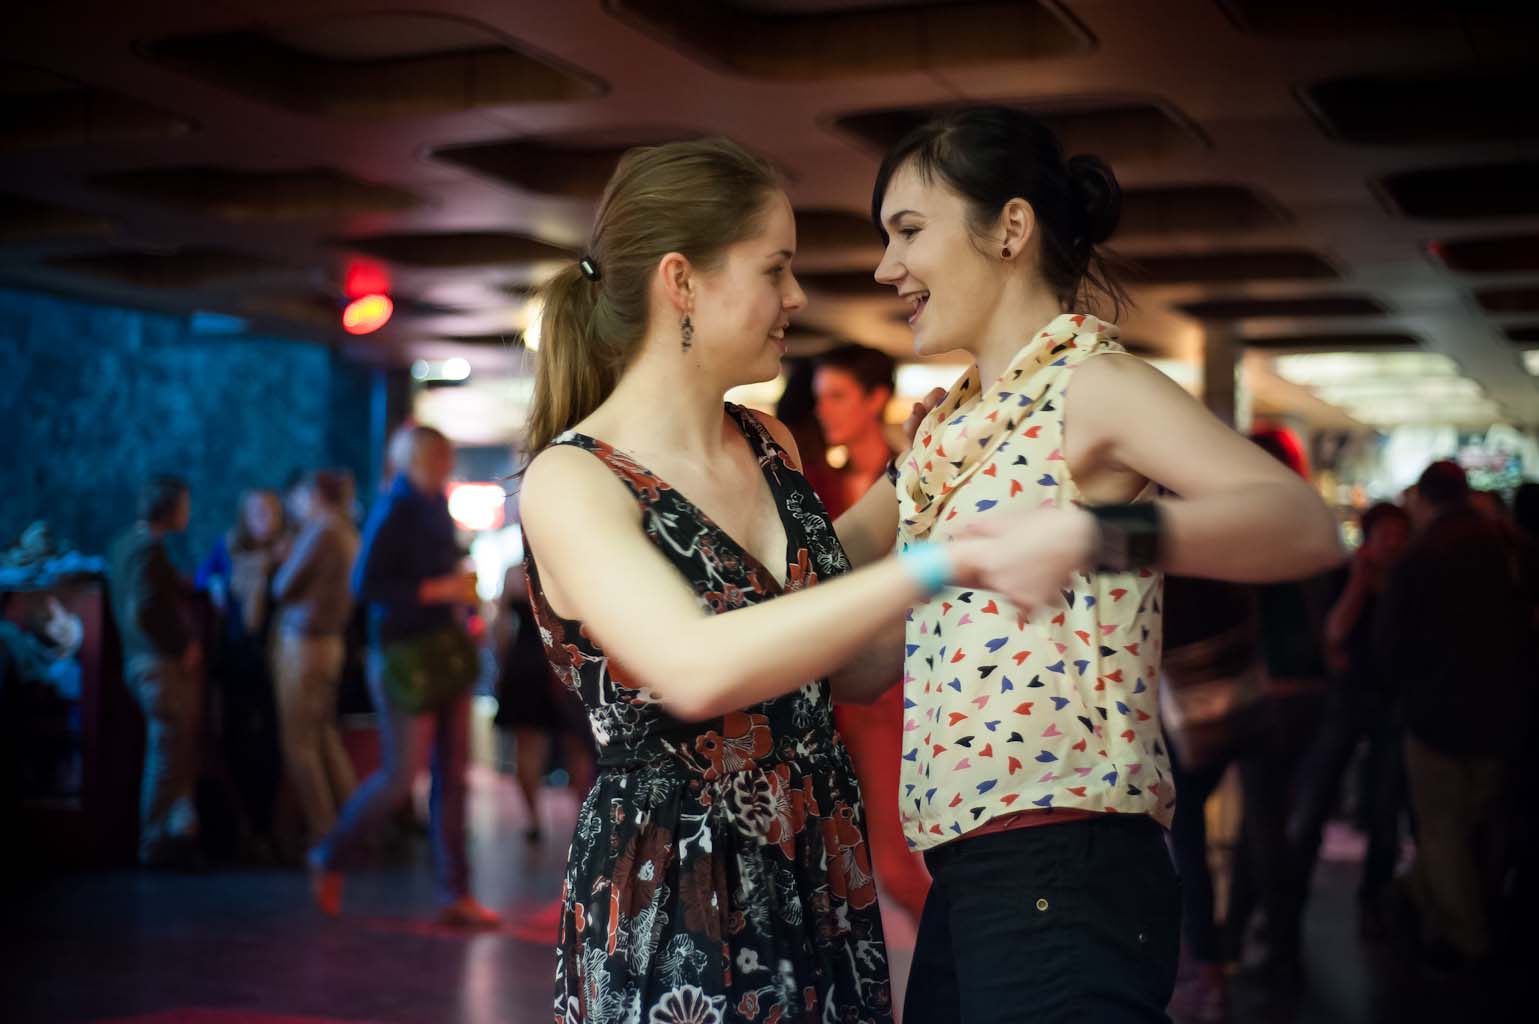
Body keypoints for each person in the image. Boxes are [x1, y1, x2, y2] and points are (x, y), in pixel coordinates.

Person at [833, 106, 1343, 1021]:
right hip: (972, 865)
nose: (885, 267)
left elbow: (1299, 524)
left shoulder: (1091, 384)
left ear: (1010, 230)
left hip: (1063, 862)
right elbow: (841, 605)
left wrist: (1089, 534)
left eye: (907, 231)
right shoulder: (951, 432)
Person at [520, 137, 999, 1023]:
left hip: (818, 859)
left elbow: (834, 653)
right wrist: (938, 565)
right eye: (775, 268)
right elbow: (696, 665)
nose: (797, 296)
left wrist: (924, 477)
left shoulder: (767, 444)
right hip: (682, 888)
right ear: (681, 282)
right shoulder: (574, 480)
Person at [308, 426, 500, 928]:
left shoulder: (434, 506)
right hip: (404, 656)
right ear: (414, 459)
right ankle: (331, 853)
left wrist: (460, 601)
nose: (445, 466)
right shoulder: (394, 509)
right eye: (438, 458)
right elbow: (365, 584)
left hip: (443, 652)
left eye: (446, 457)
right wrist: (438, 591)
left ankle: (455, 893)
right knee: (401, 776)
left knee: (452, 778)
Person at [1376, 460, 1535, 967]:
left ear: (1424, 499)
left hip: (1434, 715)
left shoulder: (1419, 554)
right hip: (1504, 711)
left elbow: (1390, 646)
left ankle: (1465, 936)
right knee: (1477, 823)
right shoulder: (1508, 546)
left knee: (1443, 828)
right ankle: (1440, 912)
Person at [813, 343, 933, 923]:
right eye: (821, 398)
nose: (825, 410)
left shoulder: (918, 470)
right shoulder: (816, 484)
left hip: (894, 687)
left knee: (896, 865)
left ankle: (953, 965)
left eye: (838, 396)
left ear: (875, 398)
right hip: (830, 690)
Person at [1289, 502, 1412, 941]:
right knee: (1315, 800)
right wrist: (1360, 581)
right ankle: (1290, 900)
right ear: (1368, 539)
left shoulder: (1409, 582)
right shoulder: (1344, 575)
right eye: (1385, 535)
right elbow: (1335, 632)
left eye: (1400, 535)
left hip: (1392, 705)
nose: (1393, 544)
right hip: (1344, 701)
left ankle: (1374, 902)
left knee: (1384, 808)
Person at [110, 476, 203, 869]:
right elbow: (145, 608)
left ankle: (172, 836)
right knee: (168, 754)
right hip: (157, 665)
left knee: (169, 750)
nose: (188, 512)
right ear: (171, 507)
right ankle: (155, 842)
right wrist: (181, 645)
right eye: (185, 504)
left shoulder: (124, 544)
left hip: (137, 661)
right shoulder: (149, 549)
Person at [271, 469, 359, 847]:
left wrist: (283, 558)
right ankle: (355, 826)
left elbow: (282, 586)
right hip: (331, 643)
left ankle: (325, 832)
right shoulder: (347, 532)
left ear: (315, 495)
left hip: (304, 644)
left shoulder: (322, 530)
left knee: (299, 743)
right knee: (324, 735)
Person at [197, 489, 287, 858]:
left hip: (274, 655)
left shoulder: (287, 550)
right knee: (235, 737)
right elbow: (202, 576)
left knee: (272, 740)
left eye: (269, 511)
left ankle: (266, 826)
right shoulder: (229, 546)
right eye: (256, 512)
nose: (264, 518)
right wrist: (214, 584)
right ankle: (246, 825)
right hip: (237, 654)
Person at [492, 557, 594, 844]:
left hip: (525, 662)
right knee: (578, 746)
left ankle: (534, 821)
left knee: (528, 747)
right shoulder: (571, 569)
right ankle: (582, 820)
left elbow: (500, 626)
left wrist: (501, 665)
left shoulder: (515, 573)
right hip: (568, 663)